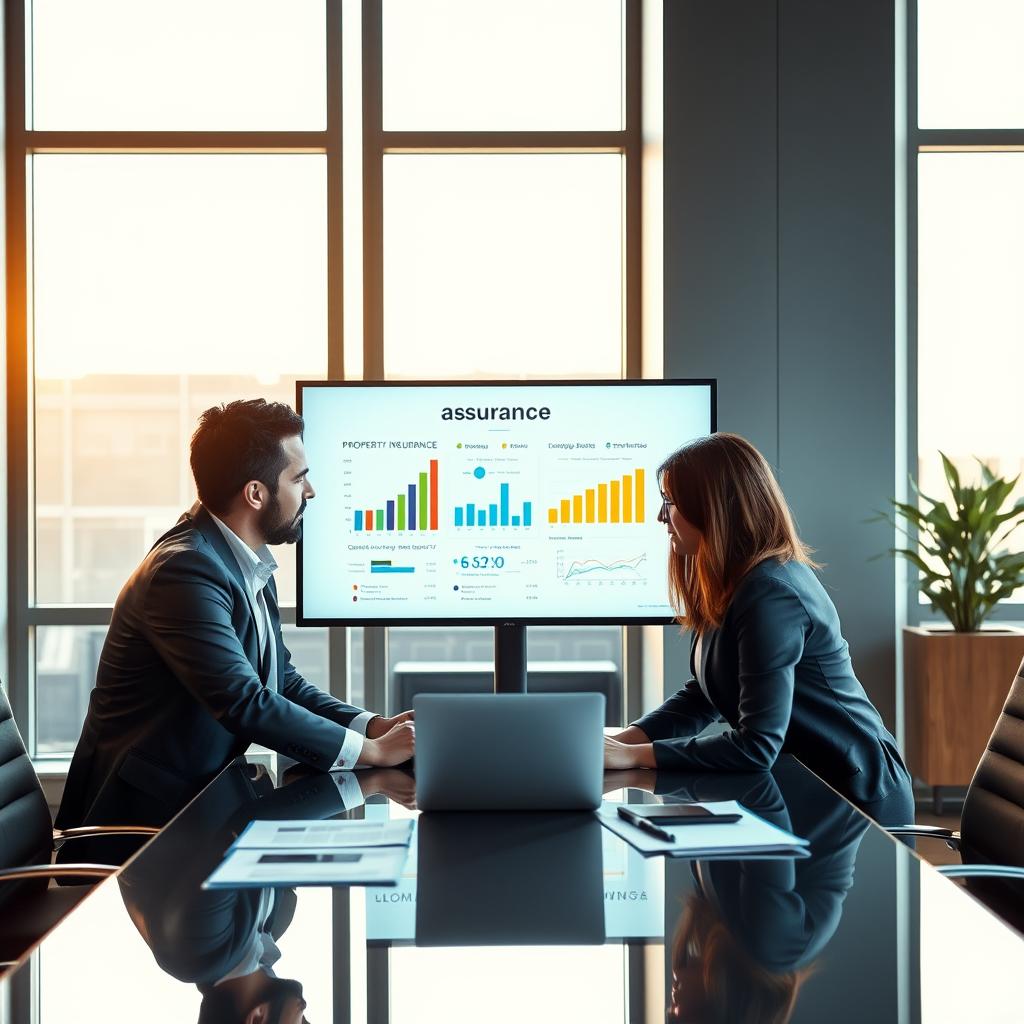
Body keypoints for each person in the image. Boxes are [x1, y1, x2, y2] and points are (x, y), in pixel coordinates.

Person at [56, 399, 414, 836]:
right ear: (256, 493)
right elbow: (242, 700)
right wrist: (373, 753)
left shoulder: (243, 561)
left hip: (204, 807)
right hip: (146, 828)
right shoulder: (185, 570)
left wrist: (372, 727)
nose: (310, 491)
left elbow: (280, 681)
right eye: (298, 477)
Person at [604, 433, 914, 826]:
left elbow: (756, 746)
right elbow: (704, 696)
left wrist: (632, 756)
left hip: (850, 795)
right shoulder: (736, 582)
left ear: (712, 509)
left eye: (670, 502)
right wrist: (620, 742)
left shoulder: (770, 594)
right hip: (802, 782)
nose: (661, 517)